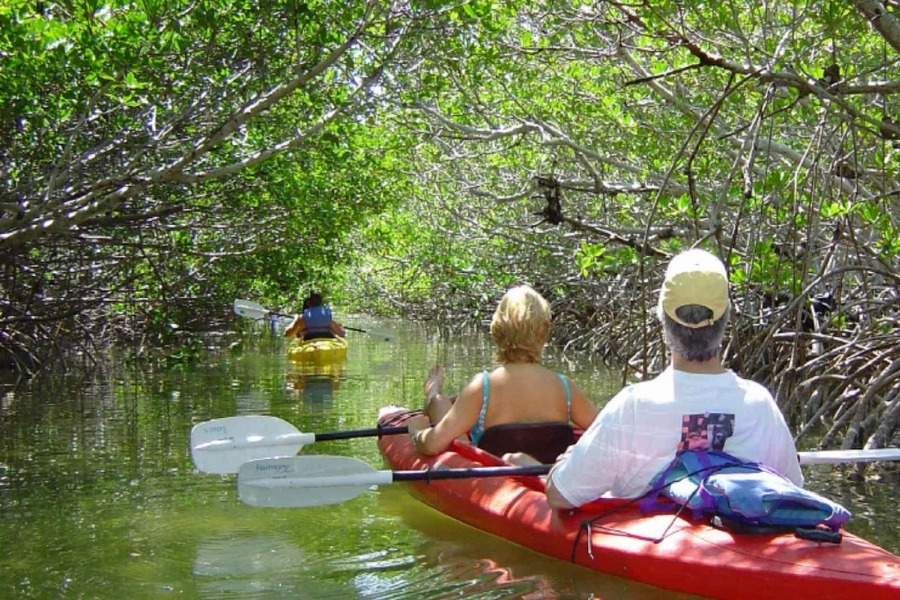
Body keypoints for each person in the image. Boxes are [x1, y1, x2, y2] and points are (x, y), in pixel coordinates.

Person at [544, 248, 804, 509]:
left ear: (662, 317)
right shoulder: (760, 405)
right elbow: (793, 489)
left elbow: (560, 496)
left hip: (649, 544)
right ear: (725, 318)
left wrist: (563, 464)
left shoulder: (633, 406)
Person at [405, 285, 599, 464]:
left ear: (497, 330)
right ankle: (434, 395)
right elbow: (608, 431)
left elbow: (431, 445)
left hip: (496, 481)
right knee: (441, 403)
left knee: (439, 403)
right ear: (544, 333)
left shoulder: (482, 386)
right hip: (543, 479)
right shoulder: (564, 387)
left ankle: (432, 395)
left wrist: (418, 433)